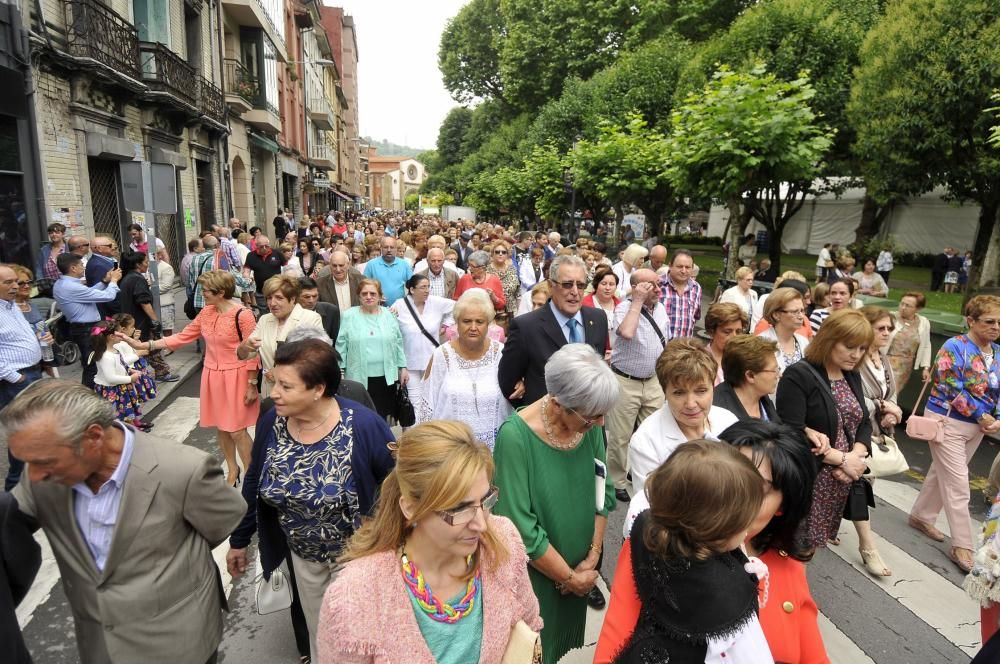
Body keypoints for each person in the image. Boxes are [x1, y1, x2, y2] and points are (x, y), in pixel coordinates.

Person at [6, 379, 246, 664]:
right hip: (98, 645)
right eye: (27, 462)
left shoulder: (183, 470)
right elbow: (11, 525)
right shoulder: (41, 476)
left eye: (45, 461)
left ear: (94, 437)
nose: (33, 476)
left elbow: (223, 522)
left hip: (178, 643)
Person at [597, 421, 826, 664]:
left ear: (783, 504)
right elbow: (613, 645)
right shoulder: (657, 546)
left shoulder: (787, 566)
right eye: (724, 483)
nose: (732, 501)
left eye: (755, 489)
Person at [315, 420, 540, 663]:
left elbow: (529, 629)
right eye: (459, 508)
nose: (482, 525)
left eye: (485, 500)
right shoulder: (355, 596)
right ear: (410, 508)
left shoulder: (503, 541)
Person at [226, 339, 395, 660]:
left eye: (286, 386)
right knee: (321, 636)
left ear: (317, 389)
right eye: (275, 381)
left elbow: (398, 486)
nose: (273, 392)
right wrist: (240, 538)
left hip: (357, 557)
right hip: (302, 557)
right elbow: (253, 480)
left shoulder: (362, 426)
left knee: (358, 641)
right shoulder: (272, 422)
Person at [493, 344, 619, 662]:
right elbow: (520, 527)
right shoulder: (515, 437)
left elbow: (603, 489)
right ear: (560, 404)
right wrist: (569, 578)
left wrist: (592, 556)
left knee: (559, 650)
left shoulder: (586, 423)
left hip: (580, 570)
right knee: (534, 650)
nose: (600, 424)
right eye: (592, 417)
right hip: (540, 578)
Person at [604, 440, 770, 663]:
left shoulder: (650, 528)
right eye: (744, 523)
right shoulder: (730, 599)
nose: (749, 528)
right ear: (718, 531)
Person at [122, 270, 259, 486]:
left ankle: (251, 475)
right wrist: (147, 345)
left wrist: (252, 384)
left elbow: (253, 352)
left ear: (221, 292)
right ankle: (232, 470)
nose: (202, 293)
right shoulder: (207, 312)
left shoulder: (243, 314)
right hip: (212, 375)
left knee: (237, 429)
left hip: (237, 376)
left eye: (206, 290)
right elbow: (183, 336)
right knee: (221, 426)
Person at [909, 295, 1000, 573]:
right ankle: (963, 544)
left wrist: (996, 418)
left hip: (979, 427)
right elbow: (948, 385)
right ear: (970, 321)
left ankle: (921, 516)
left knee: (943, 473)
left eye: (999, 322)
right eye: (989, 321)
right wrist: (981, 414)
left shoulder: (997, 351)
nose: (996, 327)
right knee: (958, 482)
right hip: (947, 420)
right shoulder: (954, 346)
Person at [776, 309, 874, 554]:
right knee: (790, 548)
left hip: (838, 483)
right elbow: (791, 432)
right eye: (850, 346)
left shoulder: (851, 373)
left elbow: (863, 422)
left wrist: (856, 458)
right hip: (808, 480)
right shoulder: (799, 374)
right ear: (829, 339)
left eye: (862, 349)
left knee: (810, 549)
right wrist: (843, 461)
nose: (856, 355)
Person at [627, 337, 741, 502]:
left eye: (701, 391)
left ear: (713, 386)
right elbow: (650, 506)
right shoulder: (646, 441)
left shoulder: (729, 421)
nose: (691, 404)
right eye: (679, 393)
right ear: (664, 391)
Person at [498, 255, 609, 406]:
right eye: (568, 284)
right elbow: (508, 383)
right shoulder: (526, 327)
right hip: (546, 424)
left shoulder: (598, 318)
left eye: (581, 285)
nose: (575, 291)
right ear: (551, 286)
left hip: (589, 419)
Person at [605, 269, 670, 502]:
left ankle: (640, 474)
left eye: (659, 283)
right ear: (636, 288)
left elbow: (666, 340)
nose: (658, 288)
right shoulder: (624, 308)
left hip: (653, 382)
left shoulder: (661, 309)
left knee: (650, 433)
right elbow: (627, 332)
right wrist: (638, 301)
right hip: (626, 382)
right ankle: (617, 480)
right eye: (651, 285)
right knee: (620, 437)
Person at [418, 290, 510, 450]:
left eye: (479, 322)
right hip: (452, 450)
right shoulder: (442, 355)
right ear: (456, 323)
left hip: (495, 450)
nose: (473, 327)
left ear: (488, 324)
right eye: (467, 321)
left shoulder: (501, 354)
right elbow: (427, 404)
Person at [851, 305, 905, 577]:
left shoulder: (882, 360)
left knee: (859, 484)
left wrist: (892, 412)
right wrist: (883, 406)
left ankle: (827, 521)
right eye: (880, 328)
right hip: (853, 432)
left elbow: (891, 393)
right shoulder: (855, 358)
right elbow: (851, 398)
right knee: (859, 484)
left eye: (889, 329)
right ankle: (867, 547)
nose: (886, 333)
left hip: (875, 432)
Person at [0, 264, 48, 491]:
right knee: (24, 434)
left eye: (15, 282)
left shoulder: (12, 306)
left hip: (32, 373)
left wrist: (41, 341)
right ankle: (13, 492)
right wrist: (13, 377)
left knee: (36, 431)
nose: (15, 286)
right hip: (16, 381)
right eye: (7, 282)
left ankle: (34, 487)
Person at [236, 275, 322, 399]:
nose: (272, 303)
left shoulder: (310, 318)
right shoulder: (265, 320)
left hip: (298, 392)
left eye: (279, 298)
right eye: (269, 298)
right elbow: (246, 354)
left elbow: (314, 358)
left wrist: (279, 372)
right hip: (270, 392)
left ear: (292, 299)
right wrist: (244, 347)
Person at [336, 278, 408, 419]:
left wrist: (403, 367)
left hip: (386, 376)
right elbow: (341, 344)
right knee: (360, 415)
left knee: (382, 415)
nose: (368, 297)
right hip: (358, 376)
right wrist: (340, 370)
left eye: (373, 293)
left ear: (380, 296)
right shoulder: (349, 315)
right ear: (359, 296)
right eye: (364, 294)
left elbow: (398, 342)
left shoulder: (389, 315)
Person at [53, 252, 122, 389]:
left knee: (93, 362)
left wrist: (104, 281)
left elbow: (89, 294)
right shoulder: (71, 286)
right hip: (85, 329)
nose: (84, 267)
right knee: (92, 364)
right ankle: (88, 394)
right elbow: (107, 296)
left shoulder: (64, 284)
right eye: (81, 265)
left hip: (83, 327)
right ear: (73, 268)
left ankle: (94, 392)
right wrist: (114, 281)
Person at [390, 274, 455, 411]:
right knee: (414, 401)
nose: (427, 290)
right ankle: (416, 431)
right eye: (423, 287)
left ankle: (431, 430)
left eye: (428, 287)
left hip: (431, 360)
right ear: (412, 290)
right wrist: (400, 366)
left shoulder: (435, 302)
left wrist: (447, 324)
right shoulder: (399, 305)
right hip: (409, 362)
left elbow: (457, 307)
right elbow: (391, 330)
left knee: (431, 399)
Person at [117, 250, 177, 383]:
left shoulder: (127, 278)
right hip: (140, 321)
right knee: (152, 346)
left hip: (132, 321)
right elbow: (144, 302)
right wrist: (155, 320)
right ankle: (161, 373)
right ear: (138, 264)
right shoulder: (137, 279)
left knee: (141, 348)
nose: (148, 264)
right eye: (145, 262)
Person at [89, 319, 146, 430]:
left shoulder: (114, 350)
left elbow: (121, 363)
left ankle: (133, 425)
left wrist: (129, 370)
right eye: (120, 332)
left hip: (121, 386)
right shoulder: (106, 356)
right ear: (111, 337)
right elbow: (111, 378)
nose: (123, 335)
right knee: (119, 412)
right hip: (112, 389)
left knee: (126, 408)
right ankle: (129, 430)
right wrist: (130, 378)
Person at [714, 335, 782, 422]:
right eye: (774, 370)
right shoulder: (719, 412)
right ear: (750, 376)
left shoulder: (763, 398)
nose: (779, 375)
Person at [759, 287, 812, 377]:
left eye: (802, 311)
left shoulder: (803, 342)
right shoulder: (761, 343)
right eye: (795, 312)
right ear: (776, 315)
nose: (801, 316)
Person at [887, 291, 932, 395]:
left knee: (893, 394)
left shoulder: (923, 322)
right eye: (902, 303)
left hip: (905, 366)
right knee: (885, 392)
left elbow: (926, 345)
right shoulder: (890, 317)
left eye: (908, 306)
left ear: (918, 309)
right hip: (886, 361)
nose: (903, 307)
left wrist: (926, 368)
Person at [658, 249, 702, 338]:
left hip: (684, 348)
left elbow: (695, 317)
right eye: (679, 266)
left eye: (688, 267)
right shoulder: (658, 284)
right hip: (660, 348)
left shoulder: (696, 288)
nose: (683, 270)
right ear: (670, 266)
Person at [704, 303, 748, 387]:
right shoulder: (701, 362)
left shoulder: (744, 359)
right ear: (711, 332)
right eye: (727, 332)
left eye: (738, 332)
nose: (734, 337)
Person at [363, 236, 412, 305]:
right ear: (381, 249)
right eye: (386, 247)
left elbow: (412, 285)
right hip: (377, 308)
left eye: (392, 247)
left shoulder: (404, 264)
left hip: (399, 308)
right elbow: (364, 286)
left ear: (396, 249)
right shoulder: (371, 264)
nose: (389, 250)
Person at [581, 265, 619, 353]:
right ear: (596, 285)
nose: (608, 288)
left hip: (617, 354)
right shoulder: (584, 305)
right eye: (604, 284)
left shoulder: (621, 306)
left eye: (612, 284)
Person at [243, 235, 285, 312]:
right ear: (256, 246)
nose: (265, 248)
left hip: (277, 290)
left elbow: (286, 267)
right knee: (264, 313)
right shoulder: (251, 255)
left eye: (267, 246)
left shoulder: (277, 253)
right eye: (261, 246)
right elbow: (247, 270)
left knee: (277, 311)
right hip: (261, 292)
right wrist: (247, 277)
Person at [297, 276, 340, 343]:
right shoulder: (289, 313)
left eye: (315, 296)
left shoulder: (331, 311)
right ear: (296, 297)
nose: (311, 300)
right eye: (307, 297)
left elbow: (336, 341)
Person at [720, 266, 759, 330]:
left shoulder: (754, 294)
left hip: (750, 330)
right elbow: (722, 313)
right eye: (748, 280)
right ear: (739, 280)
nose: (751, 282)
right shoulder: (730, 293)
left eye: (752, 279)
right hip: (734, 329)